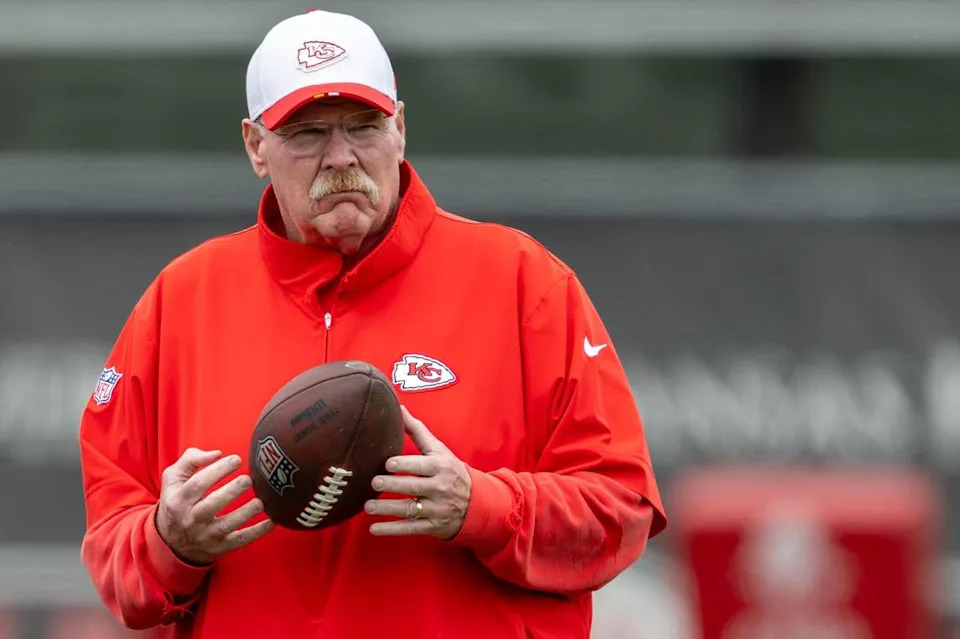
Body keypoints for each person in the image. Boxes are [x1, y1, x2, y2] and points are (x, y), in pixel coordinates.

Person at [78, 9, 666, 639]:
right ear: (255, 145)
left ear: (401, 128)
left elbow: (620, 508)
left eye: (364, 126)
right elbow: (116, 553)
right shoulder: (179, 301)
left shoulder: (524, 281)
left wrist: (484, 506)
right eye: (306, 133)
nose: (341, 156)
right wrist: (170, 540)